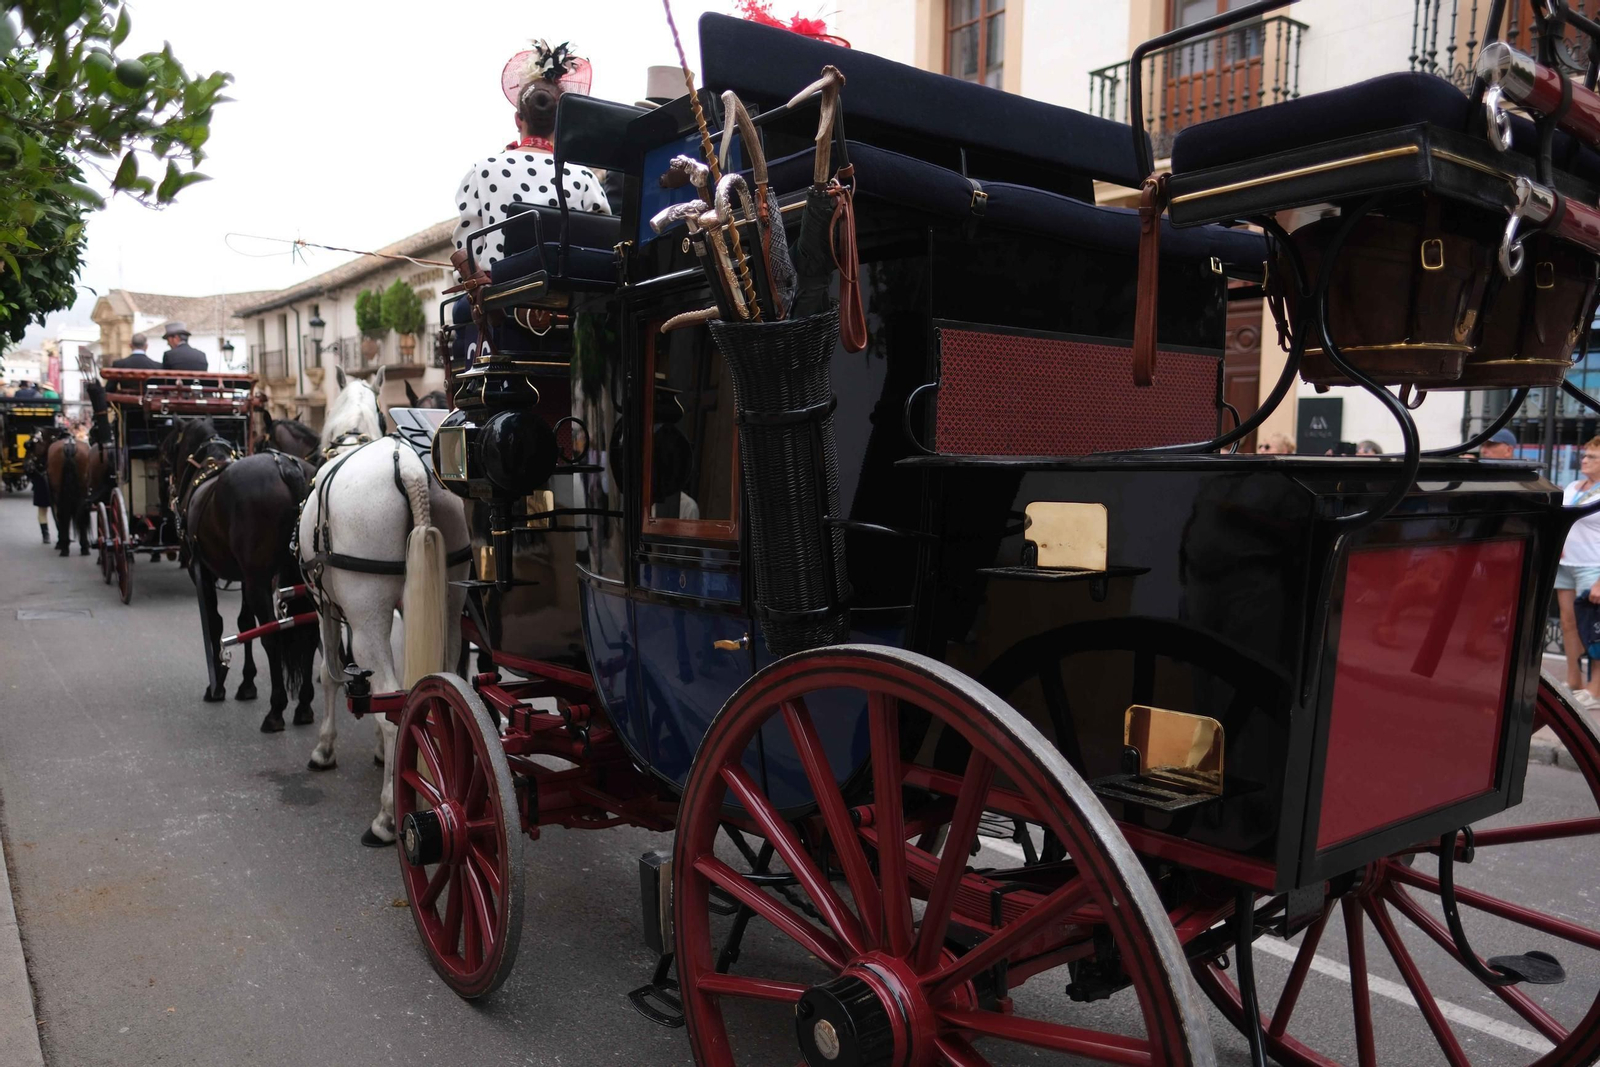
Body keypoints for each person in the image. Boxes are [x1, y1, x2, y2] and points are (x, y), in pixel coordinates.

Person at [454, 39, 610, 271]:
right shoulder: (584, 177)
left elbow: (466, 245)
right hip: (567, 299)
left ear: (519, 119)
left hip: (500, 297)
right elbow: (603, 243)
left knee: (459, 309)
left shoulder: (483, 171)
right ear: (561, 121)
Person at [1557, 437, 1600, 707]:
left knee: (1595, 629)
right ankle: (1574, 680)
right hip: (1566, 564)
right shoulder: (1573, 486)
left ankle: (1595, 689)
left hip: (1592, 566)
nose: (1584, 460)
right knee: (1569, 623)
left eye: (1592, 457)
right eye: (1584, 455)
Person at [26, 430, 51, 544]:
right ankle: (62, 534)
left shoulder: (35, 445)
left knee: (42, 510)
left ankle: (45, 535)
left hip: (40, 479)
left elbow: (28, 467)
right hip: (51, 479)